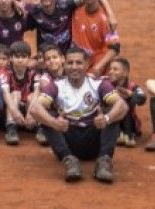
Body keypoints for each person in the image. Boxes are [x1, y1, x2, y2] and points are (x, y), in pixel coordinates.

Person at [29, 47, 128, 183]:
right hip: (68, 138)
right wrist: (54, 123)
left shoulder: (99, 84)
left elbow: (122, 106)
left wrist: (106, 119)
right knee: (48, 115)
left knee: (111, 114)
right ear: (64, 64)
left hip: (94, 138)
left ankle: (104, 162)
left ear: (87, 64)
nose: (74, 67)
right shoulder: (56, 86)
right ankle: (69, 161)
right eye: (70, 63)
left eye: (79, 63)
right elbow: (34, 108)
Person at [70, 0, 120, 76]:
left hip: (98, 68)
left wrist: (99, 66)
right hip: (80, 65)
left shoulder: (106, 18)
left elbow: (115, 47)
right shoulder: (75, 11)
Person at [2, 41, 42, 146]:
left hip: (29, 111)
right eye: (17, 57)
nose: (20, 60)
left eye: (23, 57)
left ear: (29, 59)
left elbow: (38, 92)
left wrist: (30, 112)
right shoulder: (5, 72)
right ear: (11, 58)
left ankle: (39, 127)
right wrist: (15, 111)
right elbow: (5, 93)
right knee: (15, 93)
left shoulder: (34, 72)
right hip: (11, 110)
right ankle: (11, 128)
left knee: (33, 95)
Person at [105, 57, 146, 148]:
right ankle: (119, 134)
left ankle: (127, 134)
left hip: (130, 123)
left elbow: (142, 98)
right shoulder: (105, 85)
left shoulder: (132, 86)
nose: (111, 71)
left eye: (115, 69)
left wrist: (130, 94)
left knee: (125, 102)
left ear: (125, 73)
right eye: (110, 69)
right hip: (112, 120)